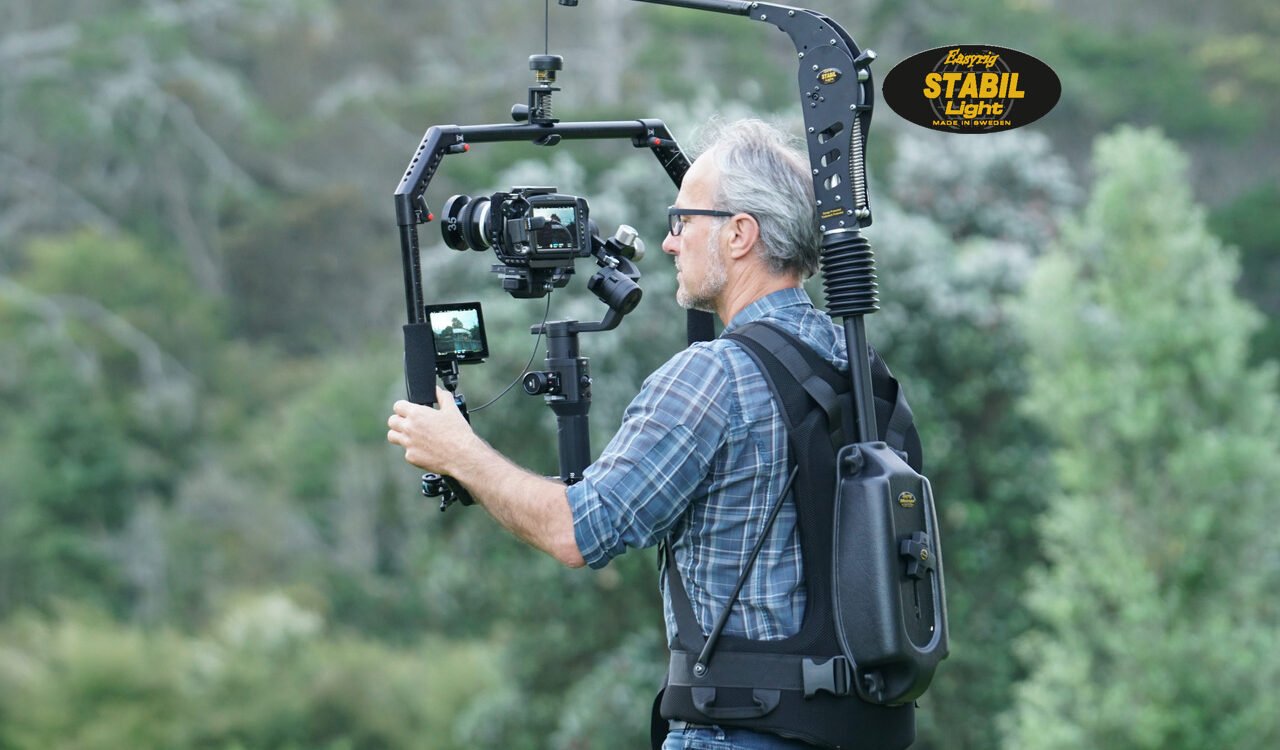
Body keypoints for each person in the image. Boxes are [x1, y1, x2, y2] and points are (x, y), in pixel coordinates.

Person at [387, 118, 845, 749]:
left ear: (740, 234)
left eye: (683, 220)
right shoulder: (848, 358)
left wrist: (459, 452)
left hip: (741, 729)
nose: (667, 242)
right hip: (842, 724)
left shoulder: (715, 376)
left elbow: (578, 532)